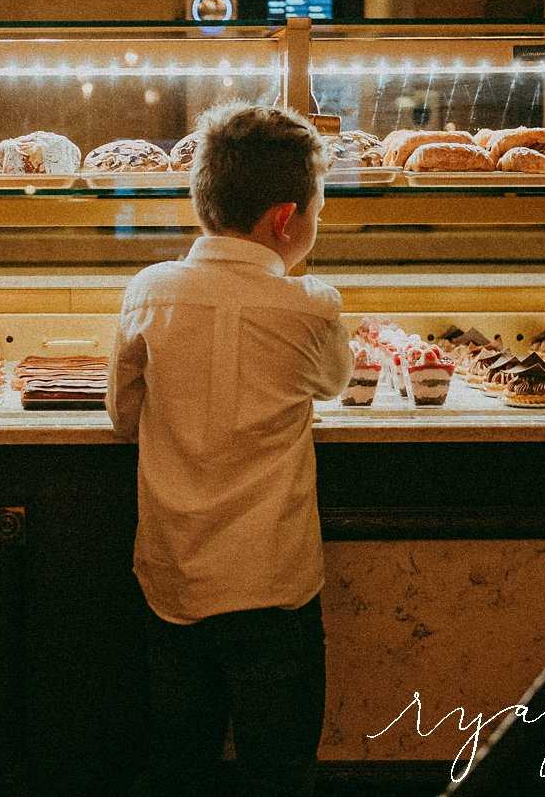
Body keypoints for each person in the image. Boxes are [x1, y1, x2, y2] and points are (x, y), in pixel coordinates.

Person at [108, 103, 352, 797]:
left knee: (177, 765)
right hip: (273, 589)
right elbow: (334, 382)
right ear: (286, 219)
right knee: (279, 773)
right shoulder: (313, 307)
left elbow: (122, 414)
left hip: (174, 580)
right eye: (318, 209)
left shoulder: (148, 291)